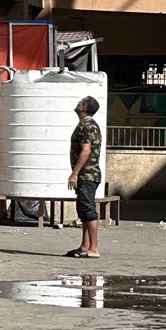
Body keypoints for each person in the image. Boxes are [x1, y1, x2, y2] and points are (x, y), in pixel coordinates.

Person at [66, 95, 103, 259]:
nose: (78, 103)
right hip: (86, 175)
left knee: (88, 210)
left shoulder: (87, 125)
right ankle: (85, 246)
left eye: (81, 102)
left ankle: (93, 248)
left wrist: (74, 173)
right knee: (83, 209)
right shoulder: (86, 124)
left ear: (84, 107)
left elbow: (86, 150)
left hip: (88, 174)